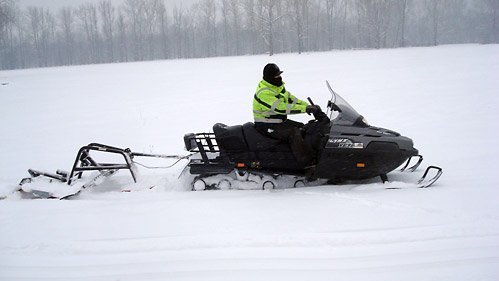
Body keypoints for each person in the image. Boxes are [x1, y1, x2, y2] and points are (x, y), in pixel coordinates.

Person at [252, 63, 321, 166]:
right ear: (270, 77)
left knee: (303, 128)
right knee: (293, 133)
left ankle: (299, 156)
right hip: (265, 125)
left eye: (279, 74)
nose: (279, 77)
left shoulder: (276, 87)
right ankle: (308, 163)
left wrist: (310, 106)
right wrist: (305, 109)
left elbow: (292, 99)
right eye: (277, 76)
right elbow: (281, 108)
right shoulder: (264, 92)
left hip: (278, 122)